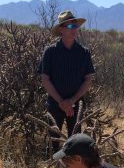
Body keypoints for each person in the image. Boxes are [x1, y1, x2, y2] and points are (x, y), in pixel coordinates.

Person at [37, 10, 95, 152]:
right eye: (70, 27)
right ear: (61, 29)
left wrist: (71, 101)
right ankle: (54, 166)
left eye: (75, 26)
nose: (74, 30)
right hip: (55, 104)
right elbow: (45, 79)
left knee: (75, 140)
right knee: (54, 140)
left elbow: (88, 80)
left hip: (76, 105)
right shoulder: (50, 52)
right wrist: (61, 102)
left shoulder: (84, 52)